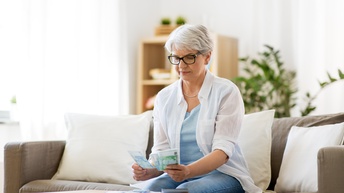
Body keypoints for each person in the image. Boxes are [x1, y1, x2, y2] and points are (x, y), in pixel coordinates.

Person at [132, 24, 261, 193]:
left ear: (207, 57)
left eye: (189, 57)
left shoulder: (226, 92)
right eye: (176, 58)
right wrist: (149, 171)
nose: (181, 65)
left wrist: (189, 171)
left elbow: (222, 151)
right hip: (179, 175)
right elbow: (161, 150)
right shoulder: (164, 97)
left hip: (222, 174)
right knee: (144, 191)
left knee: (185, 190)